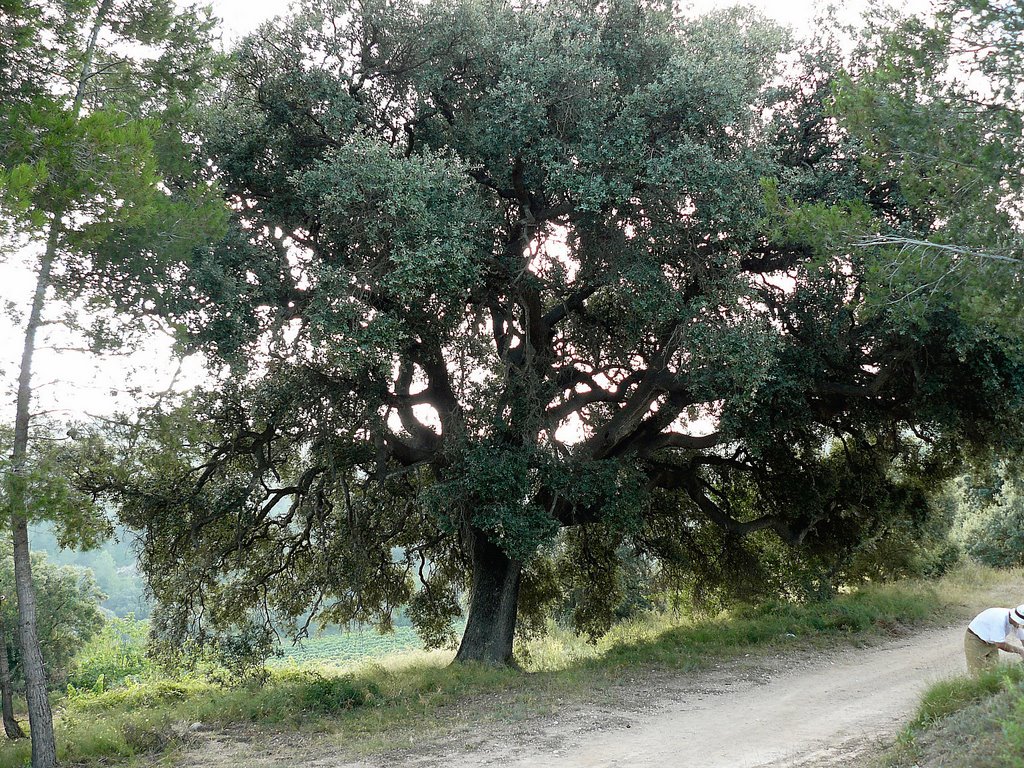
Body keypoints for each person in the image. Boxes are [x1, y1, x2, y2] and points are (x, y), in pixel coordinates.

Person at [964, 604, 1024, 675]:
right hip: (975, 639)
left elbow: (1022, 636)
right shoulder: (999, 621)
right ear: (1015, 619)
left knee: (995, 671)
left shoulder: (1014, 619)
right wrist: (1020, 651)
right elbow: (1000, 644)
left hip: (992, 641)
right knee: (977, 673)